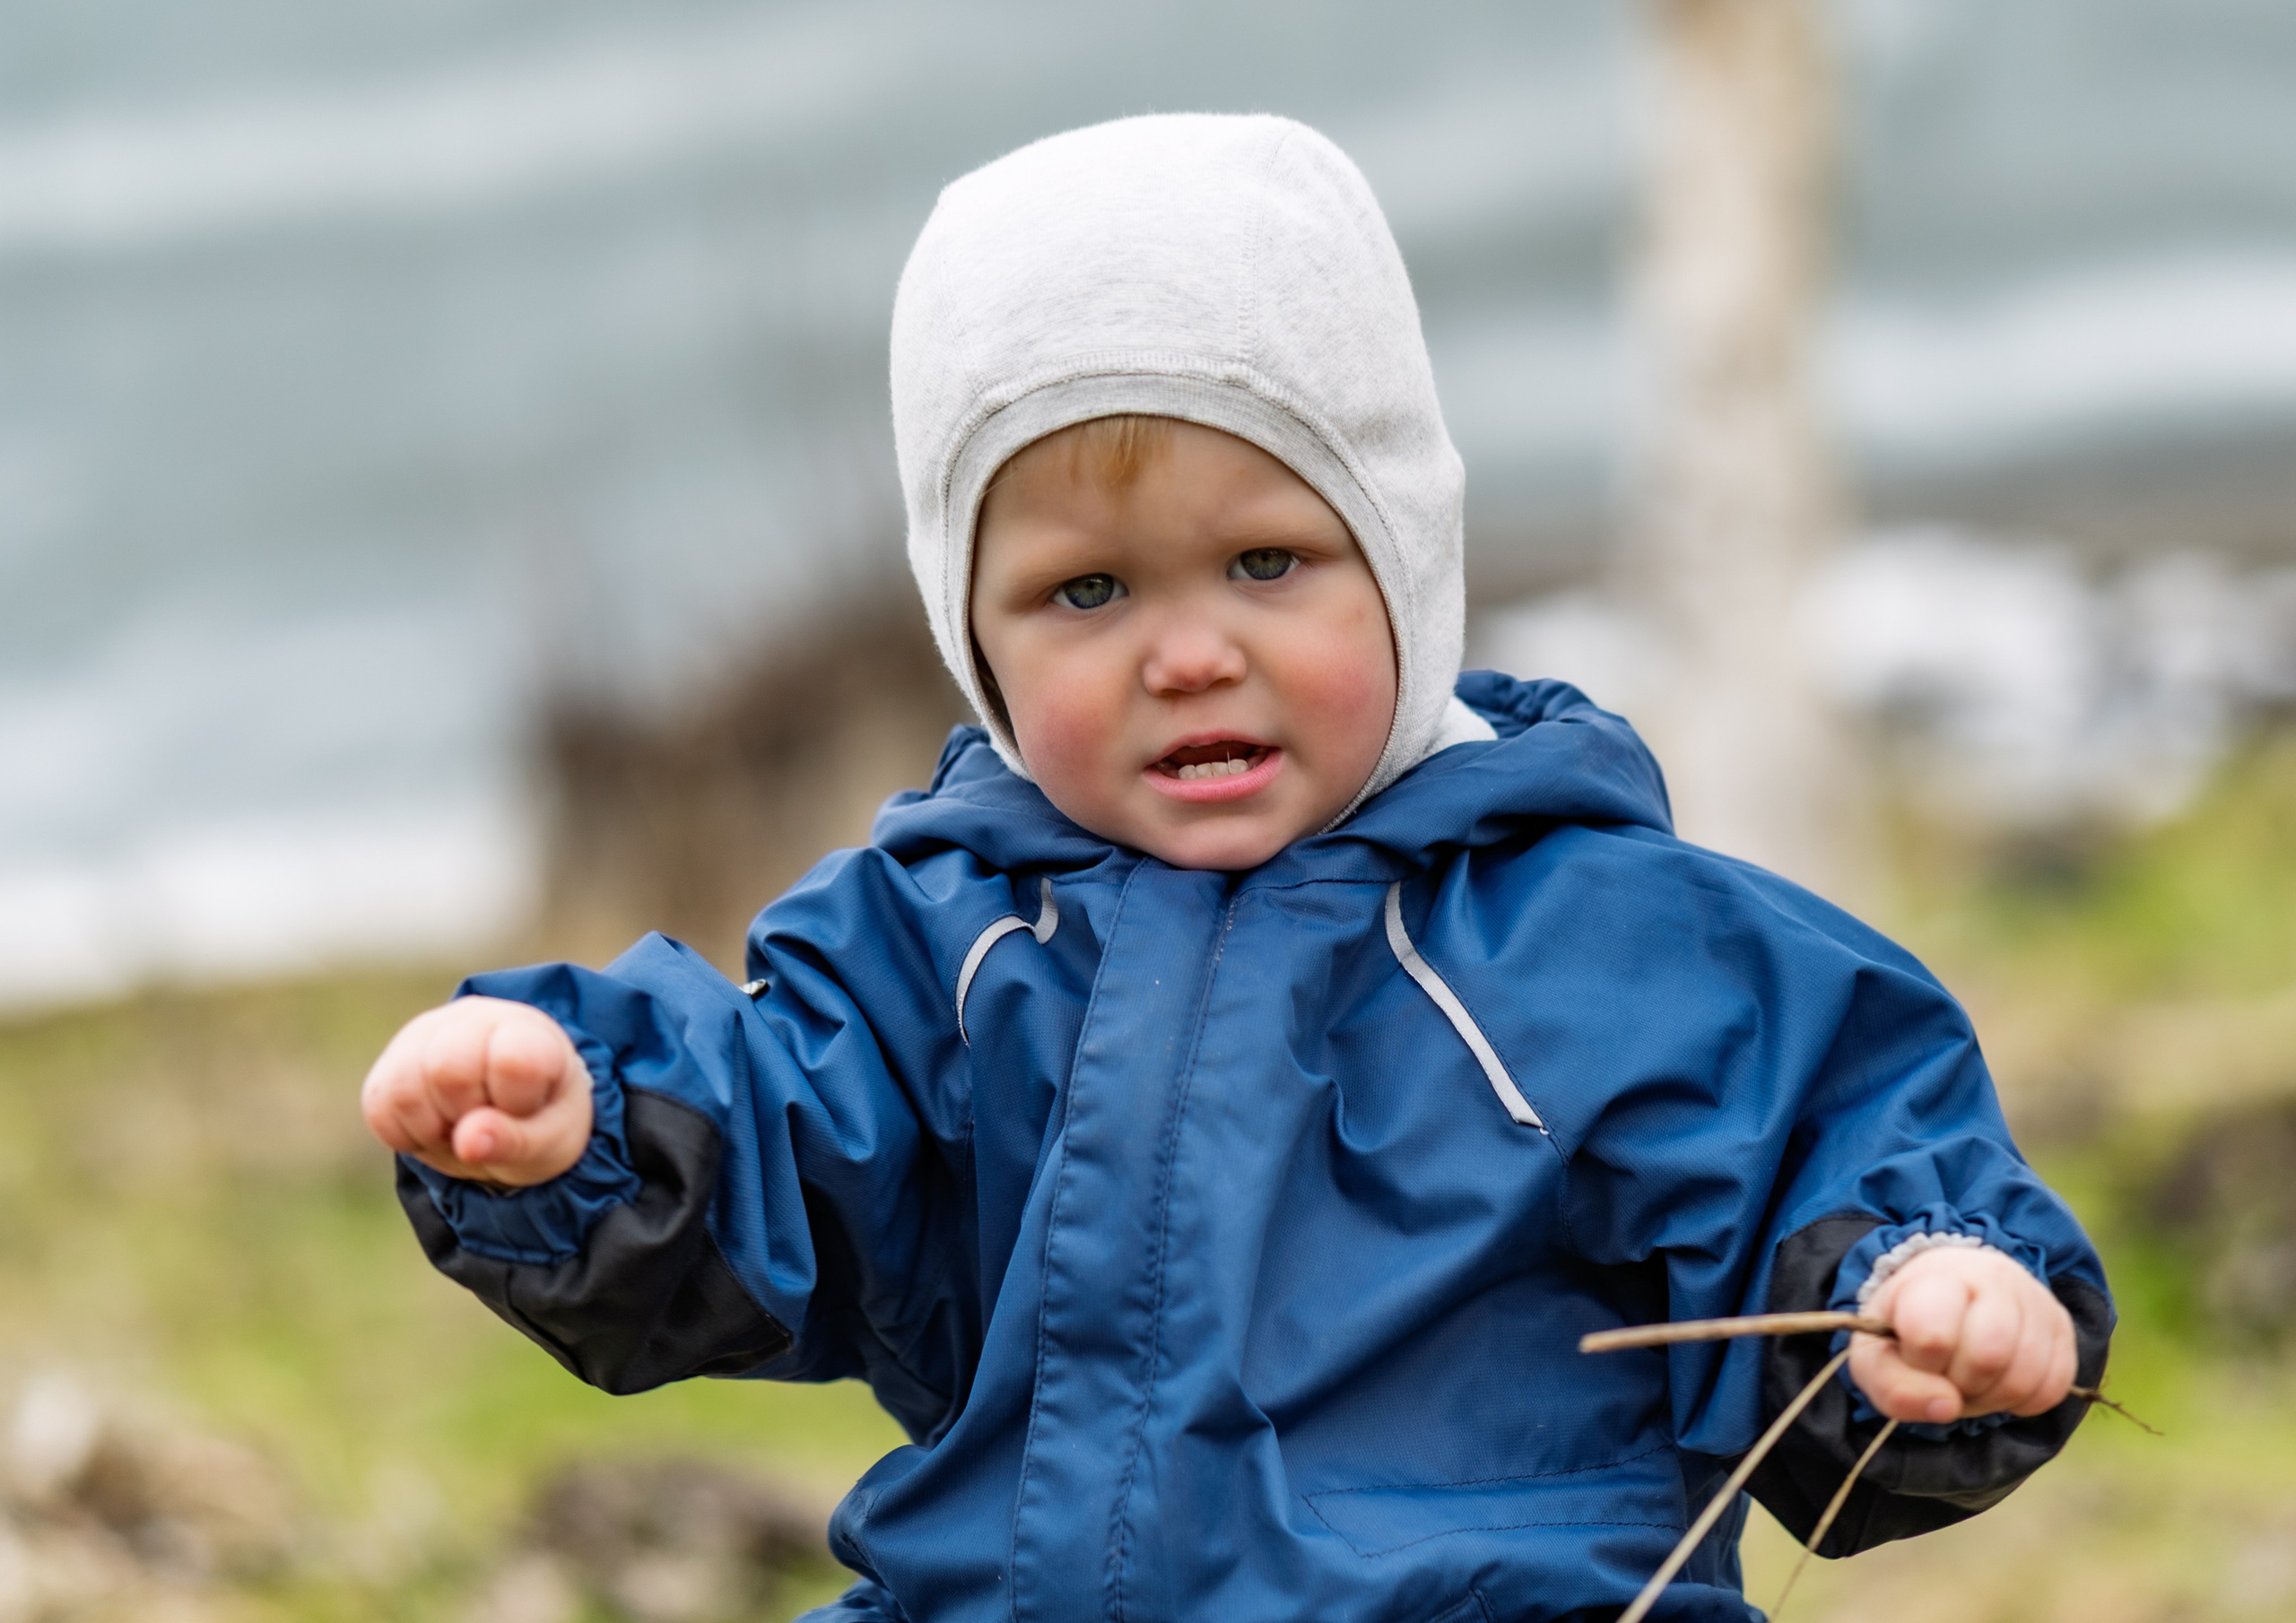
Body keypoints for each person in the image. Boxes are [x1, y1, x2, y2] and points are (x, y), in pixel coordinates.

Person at [361, 115, 2110, 1623]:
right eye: (1086, 593)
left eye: (1265, 562)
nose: (1184, 654)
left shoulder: (1588, 934)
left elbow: (1832, 1130)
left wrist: (1927, 1288)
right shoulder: (939, 946)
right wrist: (578, 1134)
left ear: (1404, 560)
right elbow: (771, 1163)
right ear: (969, 632)